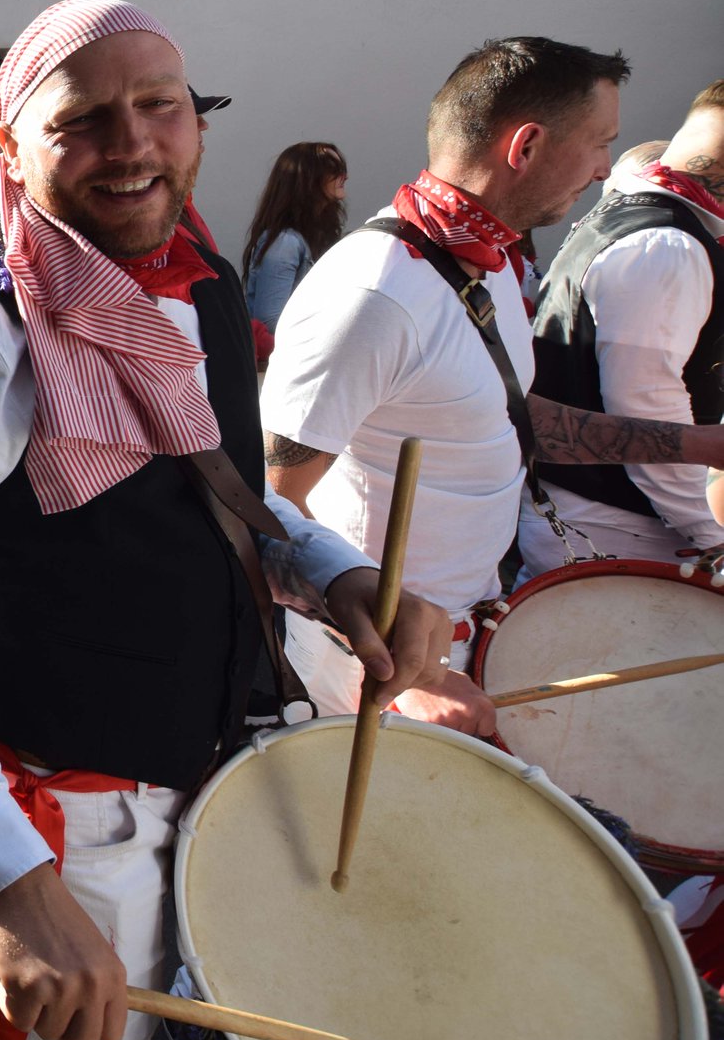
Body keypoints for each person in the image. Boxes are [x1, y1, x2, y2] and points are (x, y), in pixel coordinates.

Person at [0, 0, 450, 1040]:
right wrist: (13, 883)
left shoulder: (191, 280)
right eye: (82, 121)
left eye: (159, 107)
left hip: (195, 783)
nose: (133, 141)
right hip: (60, 829)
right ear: (6, 145)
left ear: (195, 124)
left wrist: (331, 571)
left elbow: (212, 482)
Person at [260, 37, 724, 734]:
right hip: (368, 676)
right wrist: (398, 673)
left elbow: (507, 418)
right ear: (526, 145)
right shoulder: (372, 294)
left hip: (462, 640)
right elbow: (266, 504)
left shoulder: (493, 268)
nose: (604, 170)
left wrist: (698, 444)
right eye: (599, 143)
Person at [518, 83, 724, 577]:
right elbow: (649, 410)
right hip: (619, 529)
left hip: (607, 519)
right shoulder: (665, 246)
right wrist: (711, 534)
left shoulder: (641, 212)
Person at [242, 141, 347, 334]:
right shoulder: (284, 244)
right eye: (334, 168)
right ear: (306, 179)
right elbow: (269, 322)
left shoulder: (314, 236)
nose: (344, 176)